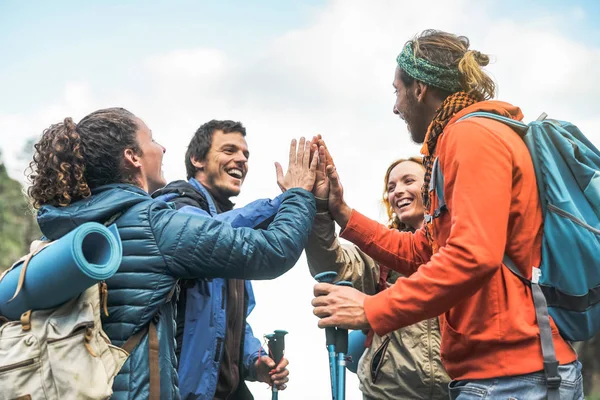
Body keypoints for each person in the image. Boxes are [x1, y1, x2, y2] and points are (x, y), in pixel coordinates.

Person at [311, 30, 583, 399]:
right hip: (506, 375)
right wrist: (342, 212)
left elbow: (473, 255)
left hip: (514, 377)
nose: (396, 107)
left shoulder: (471, 136)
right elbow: (424, 252)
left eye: (397, 91)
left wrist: (374, 308)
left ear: (419, 88)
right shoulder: (460, 140)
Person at [27, 107, 319, 400]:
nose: (162, 147)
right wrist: (298, 194)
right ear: (133, 157)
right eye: (152, 140)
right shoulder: (157, 222)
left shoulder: (71, 224)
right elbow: (274, 251)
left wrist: (250, 360)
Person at [152, 120, 289, 399]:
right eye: (229, 150)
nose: (241, 159)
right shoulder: (176, 205)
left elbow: (233, 321)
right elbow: (212, 229)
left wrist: (255, 360)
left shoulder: (233, 234)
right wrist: (284, 203)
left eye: (245, 155)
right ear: (197, 159)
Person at [305, 155, 449, 399]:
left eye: (408, 181)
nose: (398, 191)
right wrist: (320, 209)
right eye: (391, 187)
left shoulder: (458, 244)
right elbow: (333, 263)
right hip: (388, 392)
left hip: (458, 390)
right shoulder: (380, 254)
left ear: (431, 186)